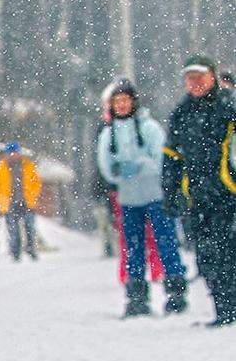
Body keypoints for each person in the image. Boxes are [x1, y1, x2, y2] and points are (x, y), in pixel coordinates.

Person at [97, 79, 187, 317]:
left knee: (165, 241)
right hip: (128, 198)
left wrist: (139, 166)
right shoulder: (109, 133)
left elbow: (160, 159)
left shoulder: (148, 128)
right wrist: (116, 172)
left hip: (154, 194)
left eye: (125, 100)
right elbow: (104, 165)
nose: (122, 105)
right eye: (117, 102)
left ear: (133, 102)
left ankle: (176, 290)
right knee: (133, 247)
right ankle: (136, 294)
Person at [163, 55, 236, 327]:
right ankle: (224, 309)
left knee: (229, 252)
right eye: (190, 78)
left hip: (229, 195)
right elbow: (171, 158)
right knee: (206, 258)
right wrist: (170, 194)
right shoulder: (181, 113)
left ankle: (230, 308)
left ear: (213, 76)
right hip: (197, 199)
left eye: (200, 76)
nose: (195, 83)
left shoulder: (228, 105)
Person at [0, 142, 42, 261]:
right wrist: (0, 200)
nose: (13, 155)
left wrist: (33, 196)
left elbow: (37, 183)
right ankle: (15, 253)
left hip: (27, 202)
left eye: (15, 152)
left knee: (30, 228)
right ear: (7, 154)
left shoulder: (28, 166)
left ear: (19, 153)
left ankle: (31, 250)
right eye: (10, 153)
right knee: (13, 230)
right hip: (9, 204)